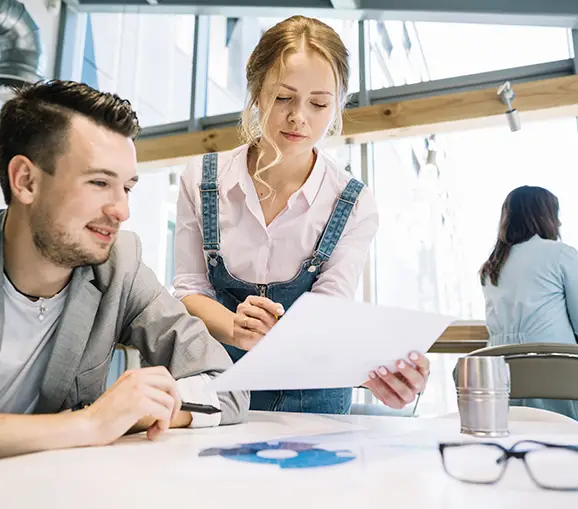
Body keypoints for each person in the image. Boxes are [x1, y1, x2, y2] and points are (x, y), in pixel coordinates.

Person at [0, 80, 248, 469]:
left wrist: (135, 411)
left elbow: (226, 385)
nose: (121, 210)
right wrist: (88, 424)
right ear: (26, 180)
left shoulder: (119, 267)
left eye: (127, 188)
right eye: (100, 183)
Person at [173, 16, 430, 414]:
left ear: (337, 104)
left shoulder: (353, 203)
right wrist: (234, 327)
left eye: (319, 103)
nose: (299, 117)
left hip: (313, 394)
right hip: (216, 386)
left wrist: (378, 369)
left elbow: (331, 309)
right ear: (257, 93)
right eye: (283, 98)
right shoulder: (203, 180)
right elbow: (189, 290)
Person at [480, 185, 578, 420]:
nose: (560, 224)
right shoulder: (560, 254)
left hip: (501, 377)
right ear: (544, 216)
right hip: (555, 372)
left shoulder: (491, 266)